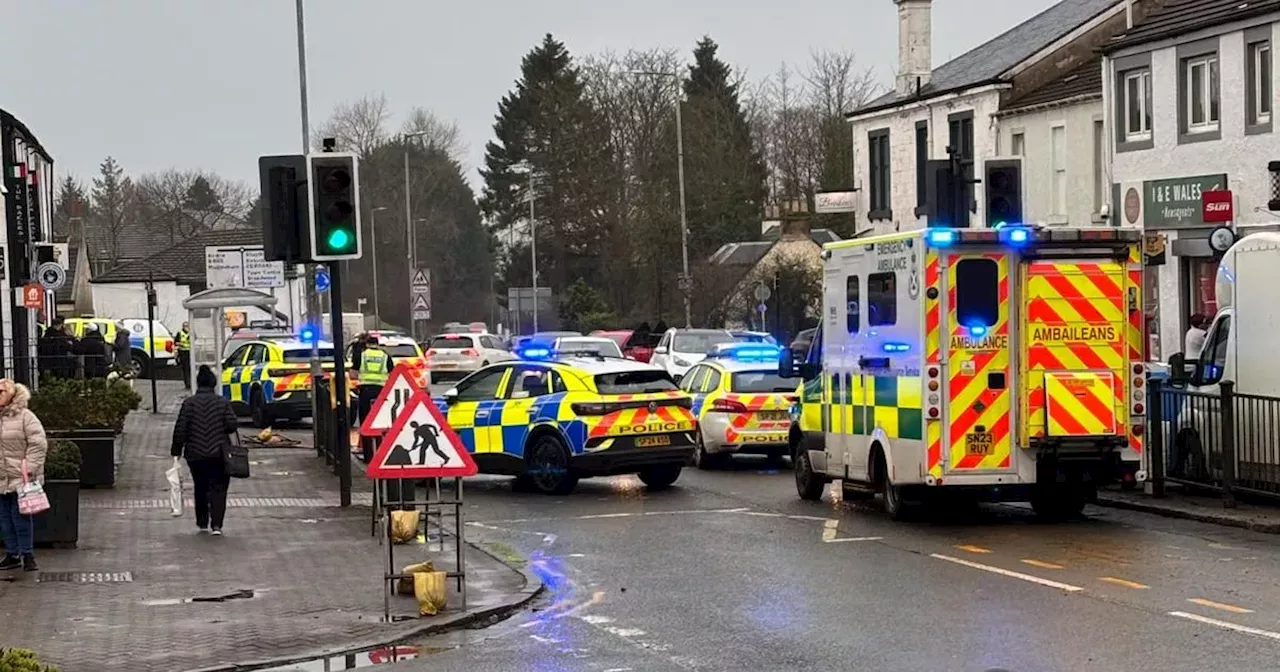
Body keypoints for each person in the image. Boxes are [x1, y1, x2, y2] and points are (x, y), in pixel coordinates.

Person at [171, 365, 238, 535]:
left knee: (200, 486)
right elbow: (231, 425)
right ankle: (217, 525)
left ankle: (202, 522)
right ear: (214, 383)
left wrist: (176, 450)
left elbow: (181, 429)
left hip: (195, 454)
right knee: (219, 487)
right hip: (219, 453)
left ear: (198, 383)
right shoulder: (222, 402)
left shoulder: (189, 403)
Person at [0, 379, 48, 571]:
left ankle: (27, 554)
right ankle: (12, 554)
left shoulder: (25, 416)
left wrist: (29, 467)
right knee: (4, 517)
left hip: (21, 476)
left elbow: (38, 443)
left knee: (20, 516)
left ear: (12, 394)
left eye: (2, 391)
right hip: (2, 477)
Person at [356, 335, 391, 462]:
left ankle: (368, 455)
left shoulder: (363, 355)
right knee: (382, 422)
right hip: (381, 392)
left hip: (365, 391)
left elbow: (354, 372)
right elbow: (391, 373)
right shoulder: (385, 356)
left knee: (365, 423)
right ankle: (382, 453)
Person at [176, 322, 192, 390]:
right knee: (185, 369)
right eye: (185, 326)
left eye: (187, 326)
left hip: (190, 352)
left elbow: (196, 340)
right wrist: (180, 344)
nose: (187, 327)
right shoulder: (179, 333)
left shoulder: (191, 333)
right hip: (182, 353)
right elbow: (176, 342)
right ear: (183, 327)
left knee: (191, 369)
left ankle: (192, 383)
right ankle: (187, 384)